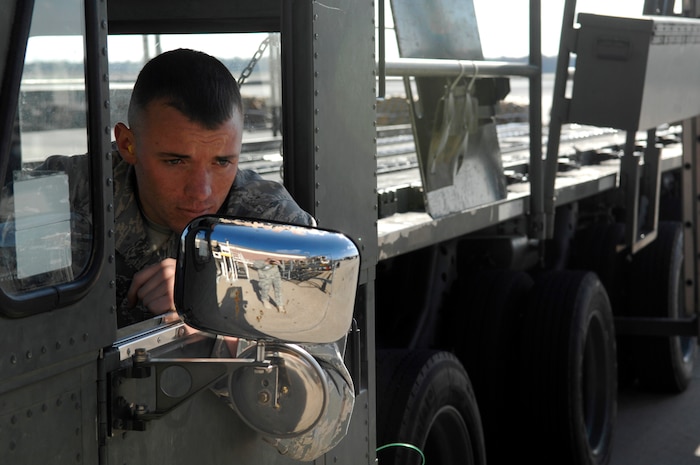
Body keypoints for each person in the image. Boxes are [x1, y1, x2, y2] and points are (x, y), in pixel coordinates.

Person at [12, 49, 354, 461]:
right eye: (176, 161)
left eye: (222, 161)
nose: (202, 191)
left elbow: (323, 424)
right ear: (127, 143)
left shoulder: (273, 227)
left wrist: (217, 327)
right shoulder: (67, 192)